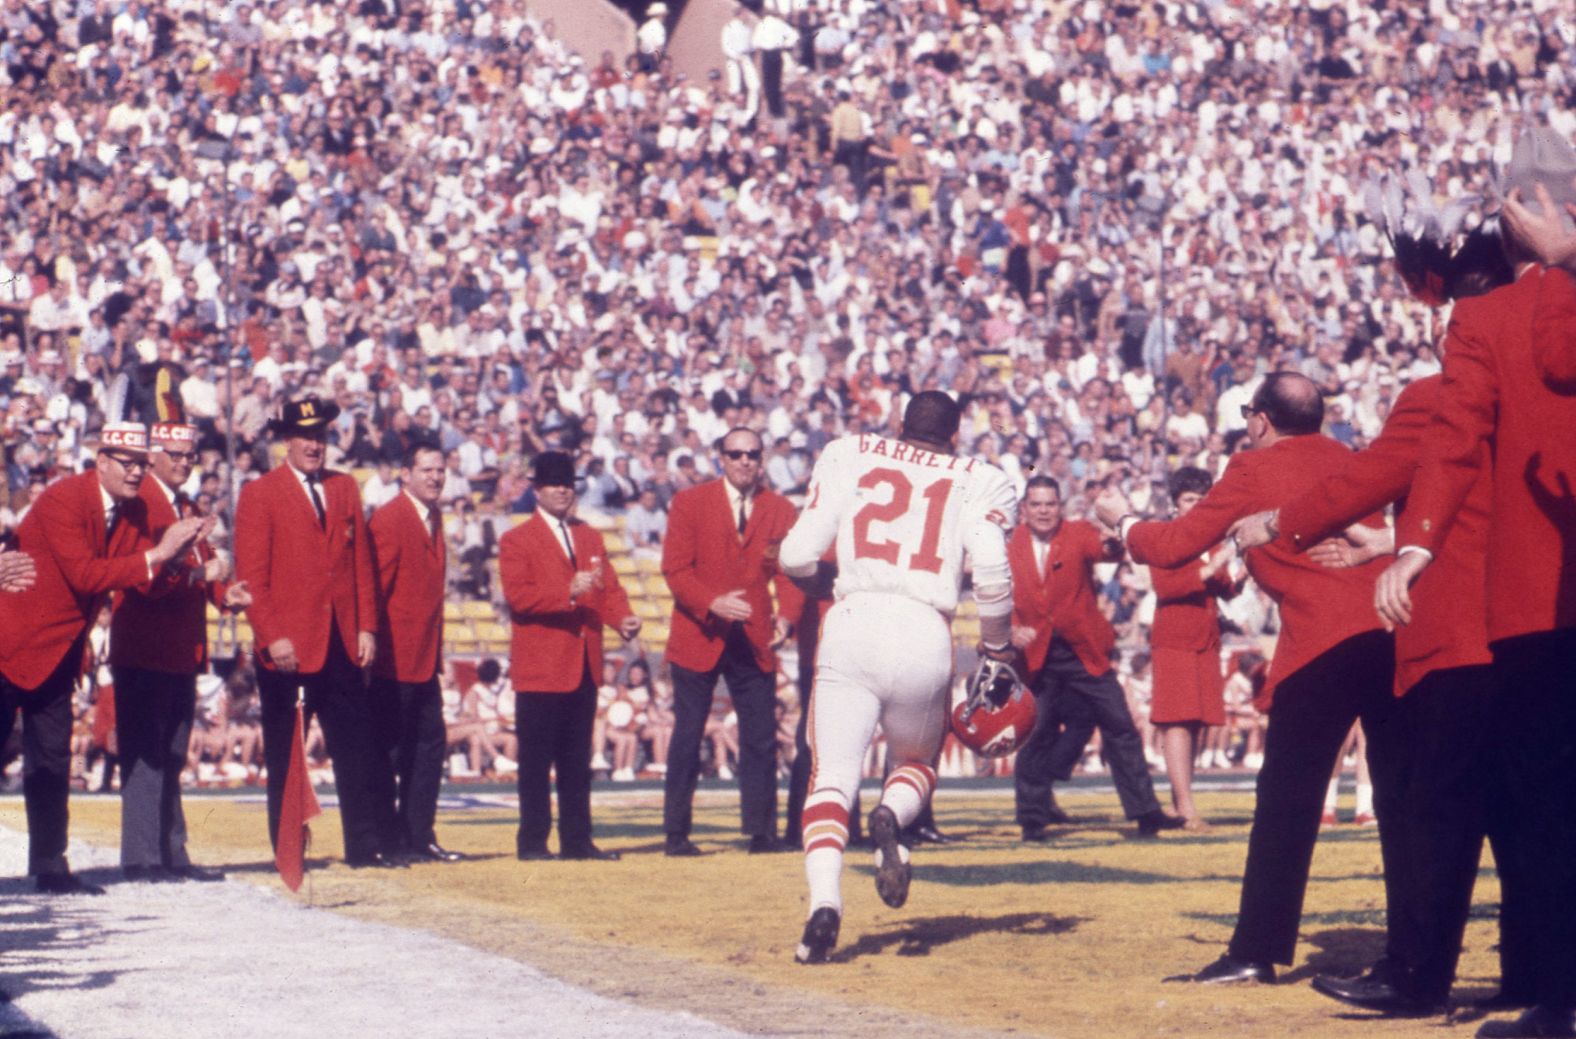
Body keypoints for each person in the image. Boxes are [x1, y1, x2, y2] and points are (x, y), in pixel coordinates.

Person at [1097, 371, 1404, 986]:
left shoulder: (1250, 468)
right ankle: (1414, 955)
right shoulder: (1350, 458)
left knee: (1286, 803)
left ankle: (1256, 949)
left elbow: (1173, 545)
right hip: (1391, 631)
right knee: (1404, 802)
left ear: (1261, 420)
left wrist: (1123, 519)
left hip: (1320, 642)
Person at [1233, 365, 1517, 1015]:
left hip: (1430, 633)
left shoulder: (1439, 393)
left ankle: (1407, 970)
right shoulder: (1534, 386)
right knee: (1517, 808)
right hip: (1516, 618)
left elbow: (1378, 477)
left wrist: (1277, 522)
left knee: (1416, 806)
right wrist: (1386, 545)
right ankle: (1537, 973)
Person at [1375, 143, 1576, 1038]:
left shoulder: (1493, 316)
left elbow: (1462, 434)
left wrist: (1413, 546)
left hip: (1538, 600)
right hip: (1539, 593)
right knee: (1539, 802)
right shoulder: (1508, 311)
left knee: (1538, 802)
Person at [778, 390, 1018, 964]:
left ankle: (824, 906)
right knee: (913, 764)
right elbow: (990, 567)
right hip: (923, 627)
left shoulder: (851, 452)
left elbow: (793, 555)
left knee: (830, 777)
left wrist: (827, 583)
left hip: (854, 617)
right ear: (956, 435)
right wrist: (998, 649)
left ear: (899, 425)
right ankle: (892, 815)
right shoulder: (983, 476)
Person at [0, 422, 207, 893]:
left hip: (58, 654)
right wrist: (161, 553)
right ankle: (50, 862)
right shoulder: (63, 498)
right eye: (128, 463)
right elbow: (86, 575)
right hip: (10, 644)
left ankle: (51, 865)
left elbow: (142, 577)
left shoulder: (131, 510)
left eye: (141, 463)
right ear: (103, 462)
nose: (138, 472)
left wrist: (182, 561)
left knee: (51, 762)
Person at [234, 396, 396, 869]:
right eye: (305, 437)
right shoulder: (260, 493)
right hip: (288, 647)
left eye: (321, 436)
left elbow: (361, 564)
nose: (314, 445)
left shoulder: (344, 488)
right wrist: (271, 635)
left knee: (357, 750)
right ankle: (288, 852)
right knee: (287, 755)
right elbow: (252, 577)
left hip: (342, 640)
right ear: (288, 441)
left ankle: (363, 848)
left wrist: (367, 625)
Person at [111, 420, 250, 883]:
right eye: (176, 454)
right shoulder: (139, 504)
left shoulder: (184, 505)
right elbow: (141, 578)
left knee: (170, 753)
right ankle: (142, 856)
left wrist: (226, 593)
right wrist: (201, 576)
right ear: (152, 456)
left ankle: (169, 851)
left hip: (179, 649)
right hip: (145, 646)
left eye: (190, 455)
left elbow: (205, 570)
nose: (186, 462)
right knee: (147, 755)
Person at [1008, 476, 1183, 841]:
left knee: (1120, 725)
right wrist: (1010, 631)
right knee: (1036, 731)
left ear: (1060, 506)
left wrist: (1116, 524)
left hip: (1083, 650)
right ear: (1024, 508)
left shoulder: (1077, 532)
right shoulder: (1009, 545)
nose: (1043, 511)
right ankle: (1033, 819)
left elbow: (1108, 549)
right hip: (1036, 655)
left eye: (1050, 504)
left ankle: (1147, 813)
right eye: (1036, 504)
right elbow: (995, 596)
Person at [659, 428, 801, 857]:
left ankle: (762, 832)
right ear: (720, 457)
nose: (744, 461)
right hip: (698, 631)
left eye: (752, 454)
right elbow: (675, 570)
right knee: (688, 734)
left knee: (760, 736)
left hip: (754, 637)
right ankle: (676, 833)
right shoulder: (690, 502)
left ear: (762, 460)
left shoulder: (780, 509)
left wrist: (788, 618)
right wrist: (713, 603)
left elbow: (789, 572)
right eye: (735, 453)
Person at [499, 450, 640, 861]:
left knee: (577, 760)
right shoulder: (516, 539)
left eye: (567, 484)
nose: (562, 491)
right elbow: (519, 597)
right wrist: (568, 592)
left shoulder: (590, 536)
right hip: (541, 668)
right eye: (553, 484)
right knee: (536, 762)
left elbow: (608, 588)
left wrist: (623, 619)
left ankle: (578, 840)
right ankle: (533, 842)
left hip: (583, 664)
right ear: (536, 490)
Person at [368, 442, 463, 863]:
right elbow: (375, 587)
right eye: (426, 470)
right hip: (393, 658)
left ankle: (419, 834)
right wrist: (369, 642)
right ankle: (389, 839)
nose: (436, 477)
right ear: (405, 474)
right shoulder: (390, 519)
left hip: (424, 659)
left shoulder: (434, 517)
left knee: (428, 746)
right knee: (392, 750)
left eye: (440, 470)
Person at [1148, 466, 1242, 831]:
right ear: (1174, 505)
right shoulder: (1163, 536)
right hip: (1174, 638)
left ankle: (1182, 802)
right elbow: (1166, 586)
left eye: (1202, 500)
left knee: (1199, 722)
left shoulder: (1211, 541)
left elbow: (1224, 587)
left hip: (1205, 639)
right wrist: (1211, 568)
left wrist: (1240, 575)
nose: (1196, 506)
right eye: (1189, 500)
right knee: (1177, 721)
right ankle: (1185, 807)